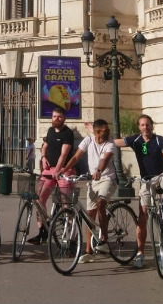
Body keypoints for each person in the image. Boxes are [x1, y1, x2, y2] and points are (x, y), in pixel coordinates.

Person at [114, 114, 163, 269]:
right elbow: (114, 142)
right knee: (142, 216)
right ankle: (140, 254)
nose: (145, 127)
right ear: (139, 127)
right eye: (142, 125)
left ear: (152, 125)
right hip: (146, 180)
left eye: (148, 124)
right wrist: (96, 134)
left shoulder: (159, 140)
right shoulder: (135, 140)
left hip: (161, 176)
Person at [60, 119, 116, 263]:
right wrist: (64, 170)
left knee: (100, 203)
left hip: (107, 179)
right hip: (93, 181)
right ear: (96, 132)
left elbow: (105, 160)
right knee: (89, 216)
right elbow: (76, 156)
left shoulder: (110, 144)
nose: (108, 132)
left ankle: (104, 240)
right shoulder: (88, 140)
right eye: (105, 130)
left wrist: (99, 171)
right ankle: (88, 252)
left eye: (108, 129)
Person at [27, 106, 75, 245]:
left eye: (59, 117)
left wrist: (58, 171)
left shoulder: (68, 133)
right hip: (49, 169)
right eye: (54, 116)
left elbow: (64, 154)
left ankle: (72, 238)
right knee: (39, 199)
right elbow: (45, 146)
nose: (56, 119)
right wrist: (43, 157)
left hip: (65, 170)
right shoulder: (50, 130)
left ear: (64, 118)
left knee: (67, 204)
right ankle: (42, 231)